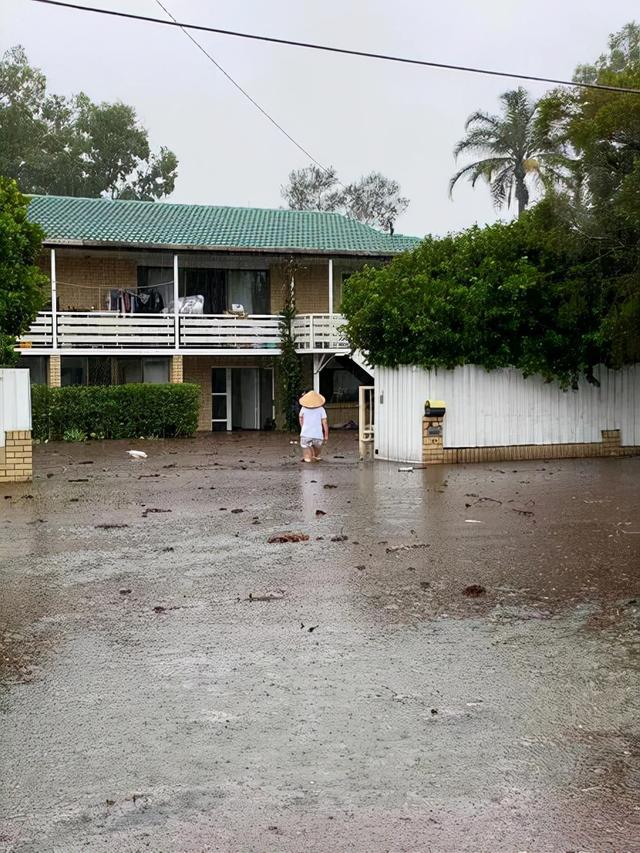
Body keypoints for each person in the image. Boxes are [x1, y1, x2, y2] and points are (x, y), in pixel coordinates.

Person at [298, 390, 329, 463]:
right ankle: (314, 457)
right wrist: (326, 435)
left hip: (305, 435)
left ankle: (308, 458)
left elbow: (301, 419)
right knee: (316, 452)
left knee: (307, 457)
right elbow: (325, 423)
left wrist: (303, 427)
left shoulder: (303, 409)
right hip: (318, 436)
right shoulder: (321, 409)